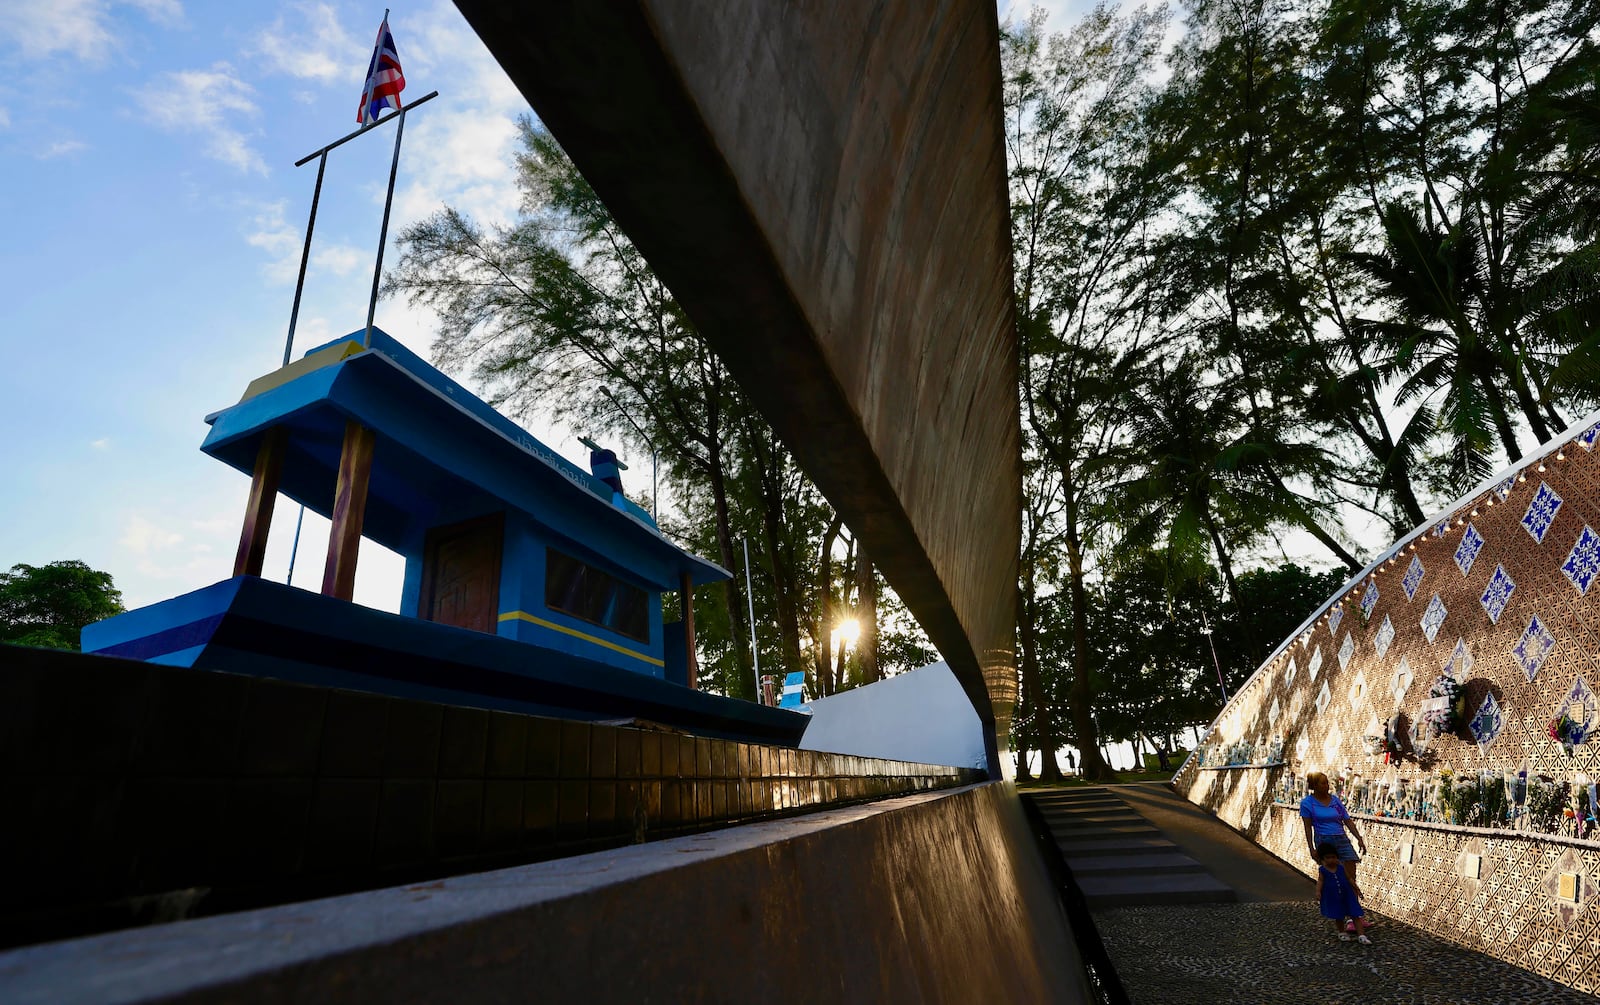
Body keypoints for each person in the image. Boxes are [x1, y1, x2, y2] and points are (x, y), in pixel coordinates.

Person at [1300, 771, 1370, 932]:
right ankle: (1341, 916)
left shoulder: (1335, 801)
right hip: (1325, 841)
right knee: (1335, 878)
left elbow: (1347, 820)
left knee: (1351, 877)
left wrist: (1358, 838)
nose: (1326, 786)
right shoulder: (1307, 803)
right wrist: (1312, 848)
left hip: (1341, 839)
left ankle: (1355, 916)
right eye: (1322, 783)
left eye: (1327, 782)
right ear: (1315, 786)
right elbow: (1307, 828)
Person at [1316, 842, 1371, 944]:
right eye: (1328, 858)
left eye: (1333, 857)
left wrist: (1356, 889)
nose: (1331, 860)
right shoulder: (1323, 870)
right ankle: (1342, 932)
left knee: (1355, 914)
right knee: (1338, 915)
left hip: (1347, 894)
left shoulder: (1341, 867)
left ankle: (1362, 935)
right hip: (1333, 895)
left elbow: (1349, 878)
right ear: (1323, 859)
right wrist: (1318, 891)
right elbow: (1320, 881)